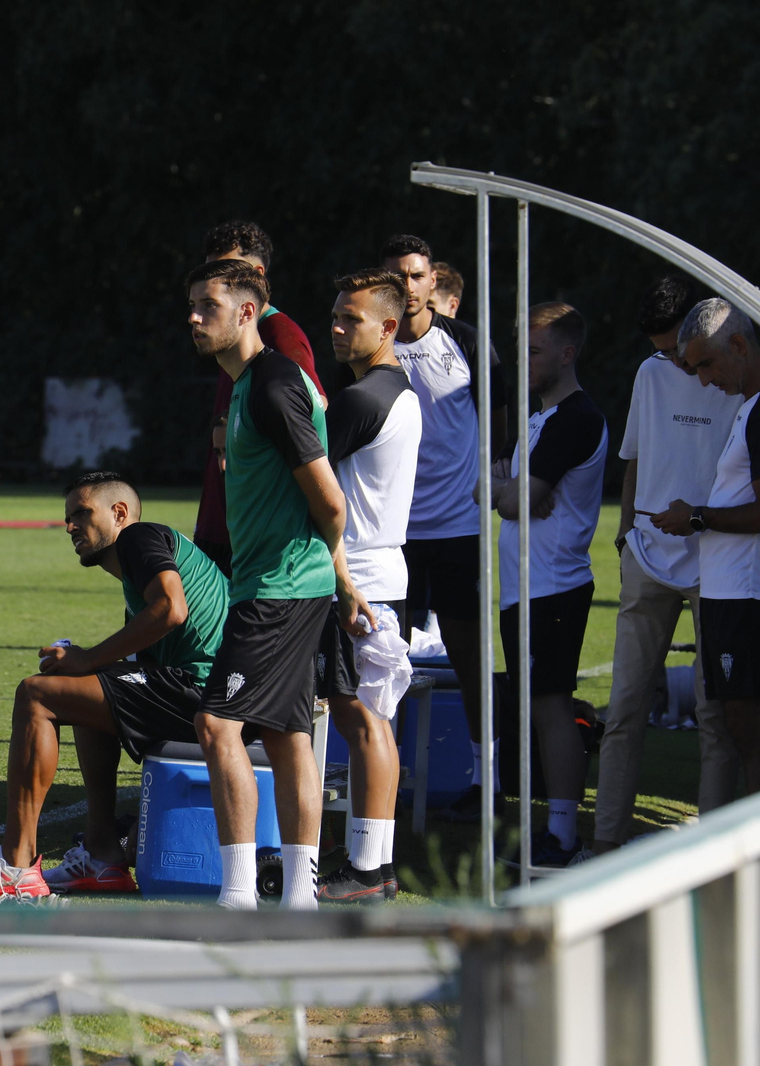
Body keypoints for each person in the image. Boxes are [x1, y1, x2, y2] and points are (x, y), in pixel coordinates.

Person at [0, 472, 229, 898]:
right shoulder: (140, 579)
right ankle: (103, 855)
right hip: (209, 693)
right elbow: (149, 652)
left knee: (35, 693)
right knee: (81, 687)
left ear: (119, 513)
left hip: (208, 696)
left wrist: (89, 659)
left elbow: (172, 609)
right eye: (67, 517)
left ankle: (16, 865)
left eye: (82, 514)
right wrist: (86, 665)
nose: (70, 526)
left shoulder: (139, 537)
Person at [185, 258, 368, 910]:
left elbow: (330, 501)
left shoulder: (272, 384)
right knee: (288, 737)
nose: (194, 317)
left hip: (280, 589)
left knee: (216, 725)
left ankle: (237, 898)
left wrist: (335, 575)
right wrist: (339, 581)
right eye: (192, 305)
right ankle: (299, 899)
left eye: (208, 305)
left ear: (246, 312)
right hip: (279, 585)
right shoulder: (244, 385)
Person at [588, 276, 744, 858]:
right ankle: (606, 843)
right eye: (661, 351)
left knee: (715, 714)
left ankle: (713, 854)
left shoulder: (738, 375)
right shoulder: (650, 372)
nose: (675, 362)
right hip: (647, 556)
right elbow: (633, 456)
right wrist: (627, 534)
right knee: (624, 708)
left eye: (677, 349)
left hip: (718, 560)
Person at [653, 299, 760, 796]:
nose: (703, 380)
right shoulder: (757, 405)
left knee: (749, 729)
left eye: (706, 364)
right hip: (734, 590)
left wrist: (696, 517)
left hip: (749, 591)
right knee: (741, 728)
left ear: (738, 345)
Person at [380, 234, 506, 821]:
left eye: (416, 275)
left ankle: (488, 780)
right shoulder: (371, 341)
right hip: (392, 534)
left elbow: (500, 414)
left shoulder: (467, 343)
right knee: (382, 662)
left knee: (471, 661)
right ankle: (382, 781)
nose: (407, 286)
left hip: (458, 528)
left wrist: (495, 475)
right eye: (397, 276)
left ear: (434, 281)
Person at [485, 304, 607, 867]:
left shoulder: (575, 419)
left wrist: (513, 492)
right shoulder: (540, 420)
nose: (524, 361)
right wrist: (510, 491)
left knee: (551, 707)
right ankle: (556, 832)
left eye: (534, 351)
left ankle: (562, 839)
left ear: (566, 354)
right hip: (526, 589)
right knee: (540, 706)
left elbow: (516, 500)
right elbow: (495, 490)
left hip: (552, 588)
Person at [313, 269, 421, 903]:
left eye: (350, 319)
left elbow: (312, 485)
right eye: (335, 315)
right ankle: (374, 866)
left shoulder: (363, 398)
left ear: (387, 327)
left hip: (358, 578)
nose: (336, 327)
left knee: (363, 723)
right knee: (371, 723)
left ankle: (365, 871)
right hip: (378, 572)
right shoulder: (396, 390)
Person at [193, 221, 327, 577]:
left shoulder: (279, 334)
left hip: (254, 535)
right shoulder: (228, 334)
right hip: (224, 518)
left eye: (227, 270)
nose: (214, 280)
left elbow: (312, 407)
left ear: (257, 276)